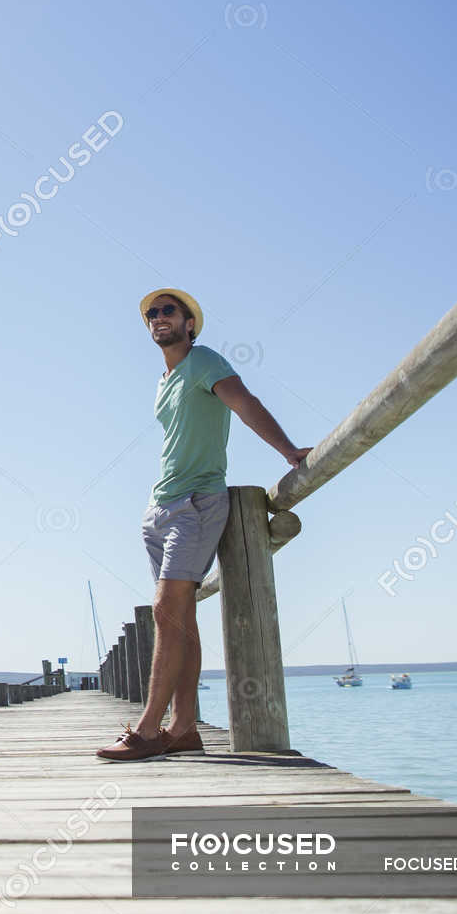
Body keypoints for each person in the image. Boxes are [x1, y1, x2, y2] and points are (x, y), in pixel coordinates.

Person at [95, 288, 311, 762]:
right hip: (160, 508)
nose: (158, 318)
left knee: (166, 610)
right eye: (151, 314)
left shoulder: (203, 361)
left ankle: (149, 730)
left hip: (197, 503)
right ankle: (184, 728)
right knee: (181, 617)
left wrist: (289, 451)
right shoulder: (164, 380)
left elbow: (244, 402)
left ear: (189, 322)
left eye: (168, 311)